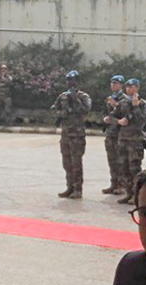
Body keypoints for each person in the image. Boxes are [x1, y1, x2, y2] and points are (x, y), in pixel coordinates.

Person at [50, 70, 92, 199]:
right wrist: (62, 113)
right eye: (68, 80)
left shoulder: (84, 96)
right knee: (66, 163)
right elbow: (54, 109)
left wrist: (75, 100)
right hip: (66, 134)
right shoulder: (63, 96)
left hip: (77, 135)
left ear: (77, 81)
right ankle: (69, 187)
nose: (70, 82)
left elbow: (86, 110)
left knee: (76, 163)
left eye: (73, 80)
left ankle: (78, 189)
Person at [115, 78, 146, 205]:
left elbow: (142, 121)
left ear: (137, 88)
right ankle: (129, 193)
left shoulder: (143, 104)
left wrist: (135, 107)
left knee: (134, 169)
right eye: (128, 86)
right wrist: (118, 121)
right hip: (123, 140)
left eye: (132, 86)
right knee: (124, 168)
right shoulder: (122, 103)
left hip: (135, 141)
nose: (129, 89)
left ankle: (137, 195)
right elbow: (110, 117)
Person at [102, 75, 126, 195]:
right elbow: (106, 114)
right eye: (112, 83)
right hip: (110, 133)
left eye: (116, 83)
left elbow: (126, 115)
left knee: (120, 160)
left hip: (120, 134)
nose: (113, 85)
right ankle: (114, 183)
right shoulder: (110, 98)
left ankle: (122, 185)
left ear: (121, 85)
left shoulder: (124, 99)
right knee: (111, 159)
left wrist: (115, 105)